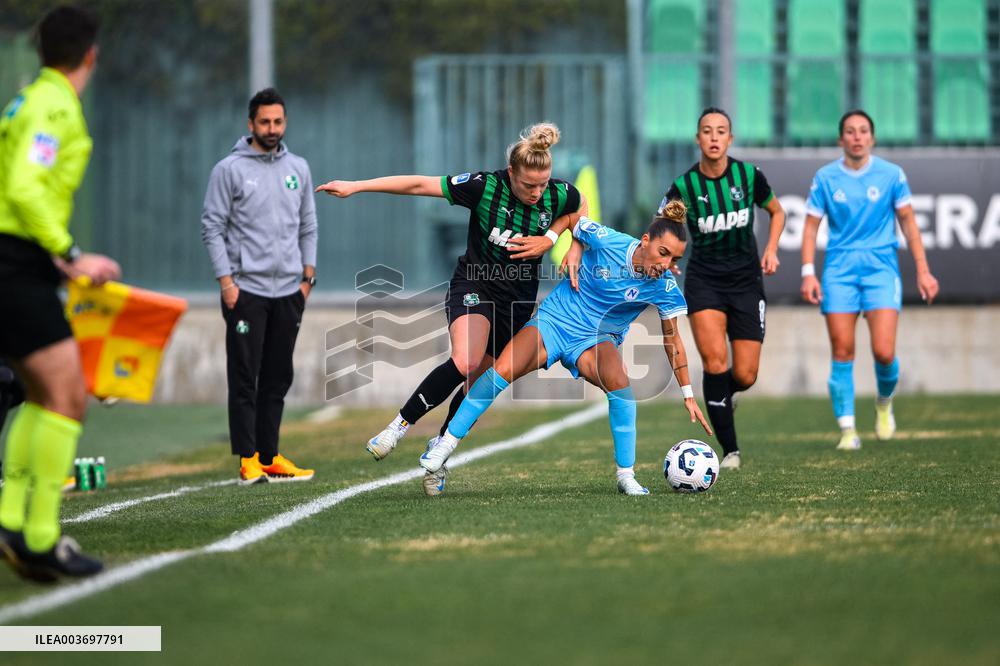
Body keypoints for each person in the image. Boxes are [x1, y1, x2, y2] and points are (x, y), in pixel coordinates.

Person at [316, 122, 585, 496]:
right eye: (529, 185)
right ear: (511, 173)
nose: (537, 193)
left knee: (480, 385)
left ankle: (439, 451)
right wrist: (357, 186)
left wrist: (562, 242)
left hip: (517, 301)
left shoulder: (558, 194)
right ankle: (397, 428)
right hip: (474, 284)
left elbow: (580, 209)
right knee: (465, 360)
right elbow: (419, 185)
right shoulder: (484, 186)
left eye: (543, 184)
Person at [419, 202, 712, 495]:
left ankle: (626, 476)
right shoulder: (609, 240)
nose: (666, 264)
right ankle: (444, 445)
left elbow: (673, 339)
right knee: (501, 370)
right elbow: (573, 218)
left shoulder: (665, 287)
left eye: (675, 258)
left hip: (596, 339)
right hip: (555, 321)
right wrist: (565, 242)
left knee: (621, 386)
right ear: (645, 241)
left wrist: (688, 393)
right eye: (663, 252)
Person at [0, 5, 120, 581]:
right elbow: (25, 187)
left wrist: (56, 259)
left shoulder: (29, 98)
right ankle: (40, 538)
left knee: (41, 395)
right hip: (14, 265)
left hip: (21, 260)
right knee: (68, 396)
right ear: (90, 55)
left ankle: (11, 522)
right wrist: (69, 253)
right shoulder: (54, 105)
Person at [800, 109, 939, 450]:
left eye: (863, 131)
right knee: (842, 350)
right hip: (839, 271)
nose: (857, 137)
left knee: (884, 352)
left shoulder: (891, 174)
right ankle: (848, 430)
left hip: (881, 270)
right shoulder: (826, 177)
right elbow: (810, 227)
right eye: (850, 131)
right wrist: (808, 272)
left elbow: (908, 223)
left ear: (872, 138)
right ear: (841, 139)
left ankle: (884, 403)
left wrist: (923, 270)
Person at [201, 88, 317, 485]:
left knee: (277, 376)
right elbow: (212, 227)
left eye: (278, 122)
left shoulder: (298, 168)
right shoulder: (229, 169)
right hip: (245, 291)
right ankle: (247, 458)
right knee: (244, 376)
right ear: (250, 124)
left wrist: (307, 279)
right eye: (264, 122)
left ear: (285, 123)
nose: (272, 129)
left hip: (289, 292)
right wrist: (227, 283)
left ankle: (269, 456)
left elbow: (308, 225)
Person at [660, 108, 785, 469]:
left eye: (721, 131)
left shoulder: (749, 176)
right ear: (697, 138)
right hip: (705, 282)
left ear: (730, 139)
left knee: (745, 374)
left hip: (746, 281)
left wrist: (772, 249)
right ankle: (730, 451)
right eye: (707, 131)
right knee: (715, 362)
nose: (714, 137)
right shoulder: (684, 186)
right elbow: (663, 225)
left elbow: (777, 211)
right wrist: (668, 255)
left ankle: (724, 396)